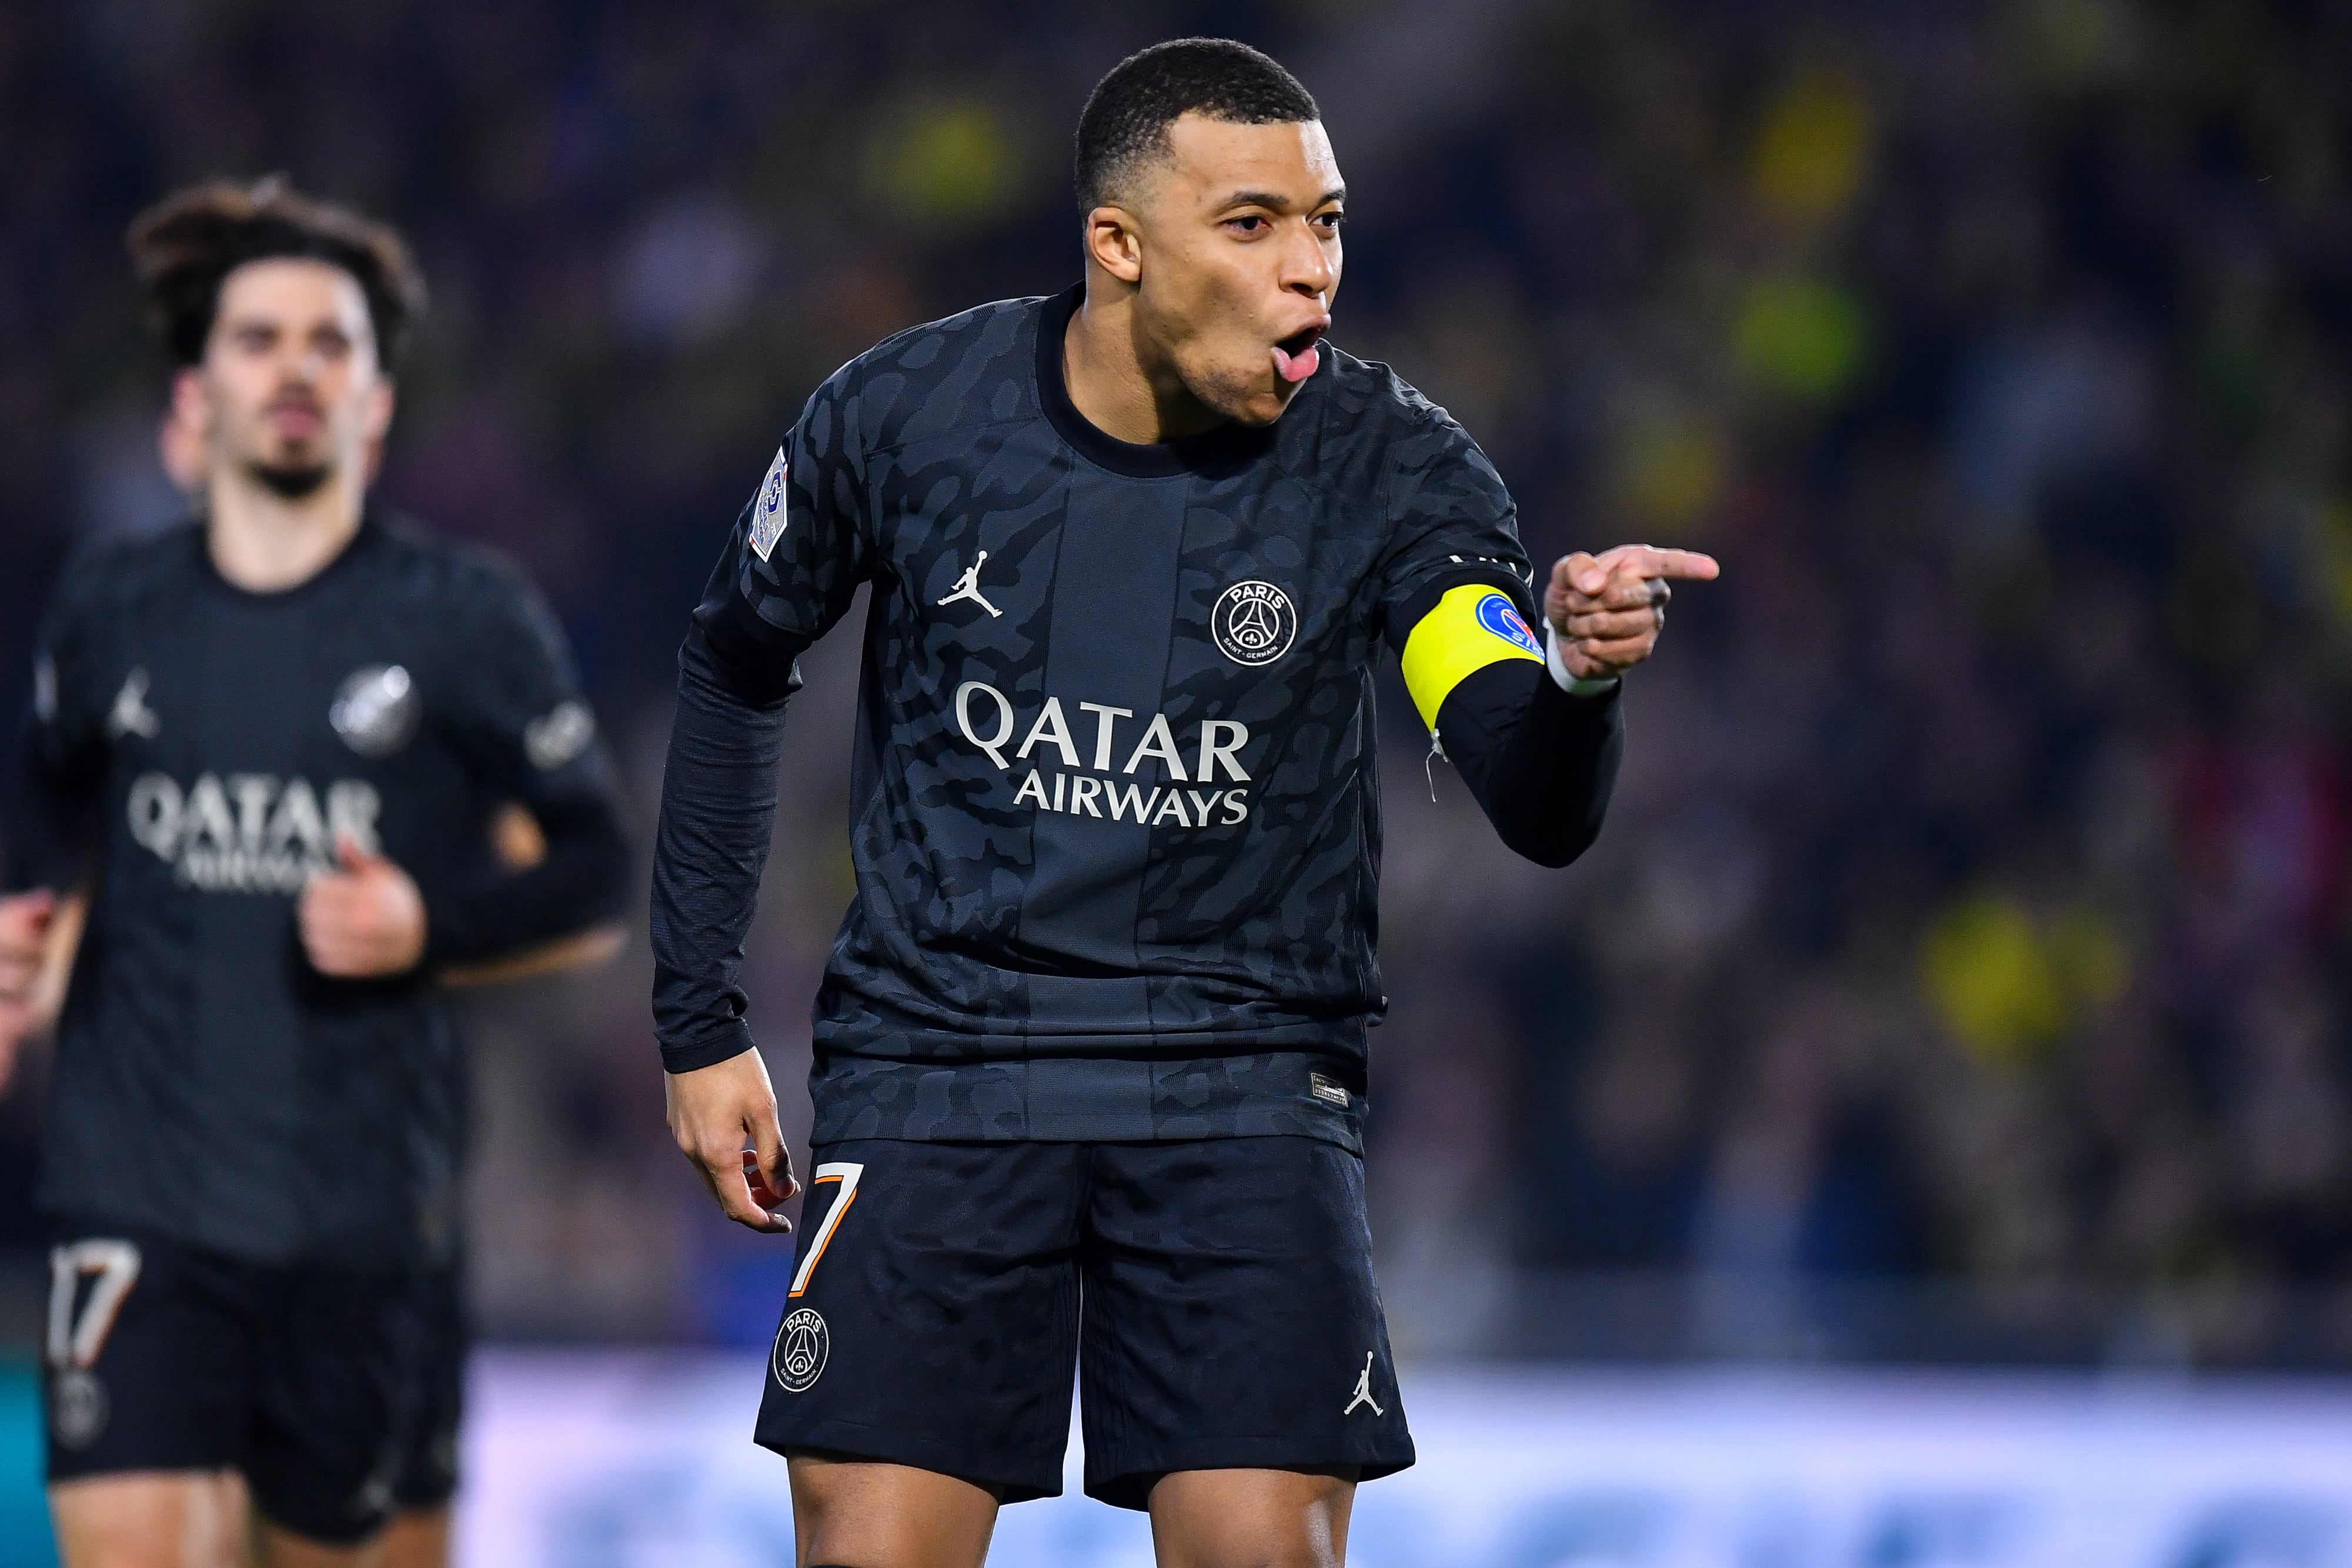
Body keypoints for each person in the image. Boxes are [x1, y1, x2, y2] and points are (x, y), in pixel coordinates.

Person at [651, 38, 1716, 1568]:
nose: (1311, 272)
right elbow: (736, 658)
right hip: (948, 1057)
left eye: (1328, 223)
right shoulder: (906, 417)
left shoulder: (1395, 470)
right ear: (1121, 246)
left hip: (1241, 1080)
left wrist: (1578, 680)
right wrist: (697, 1021)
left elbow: (1529, 790)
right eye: (1256, 224)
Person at [0, 176, 632, 1567]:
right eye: (258, 339)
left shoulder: (465, 617)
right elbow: (43, 809)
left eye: (331, 343)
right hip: (136, 1197)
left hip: (364, 1218)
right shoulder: (108, 606)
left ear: (378, 401)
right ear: (198, 392)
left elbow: (592, 865)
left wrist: (429, 919)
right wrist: (22, 925)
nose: (295, 368)